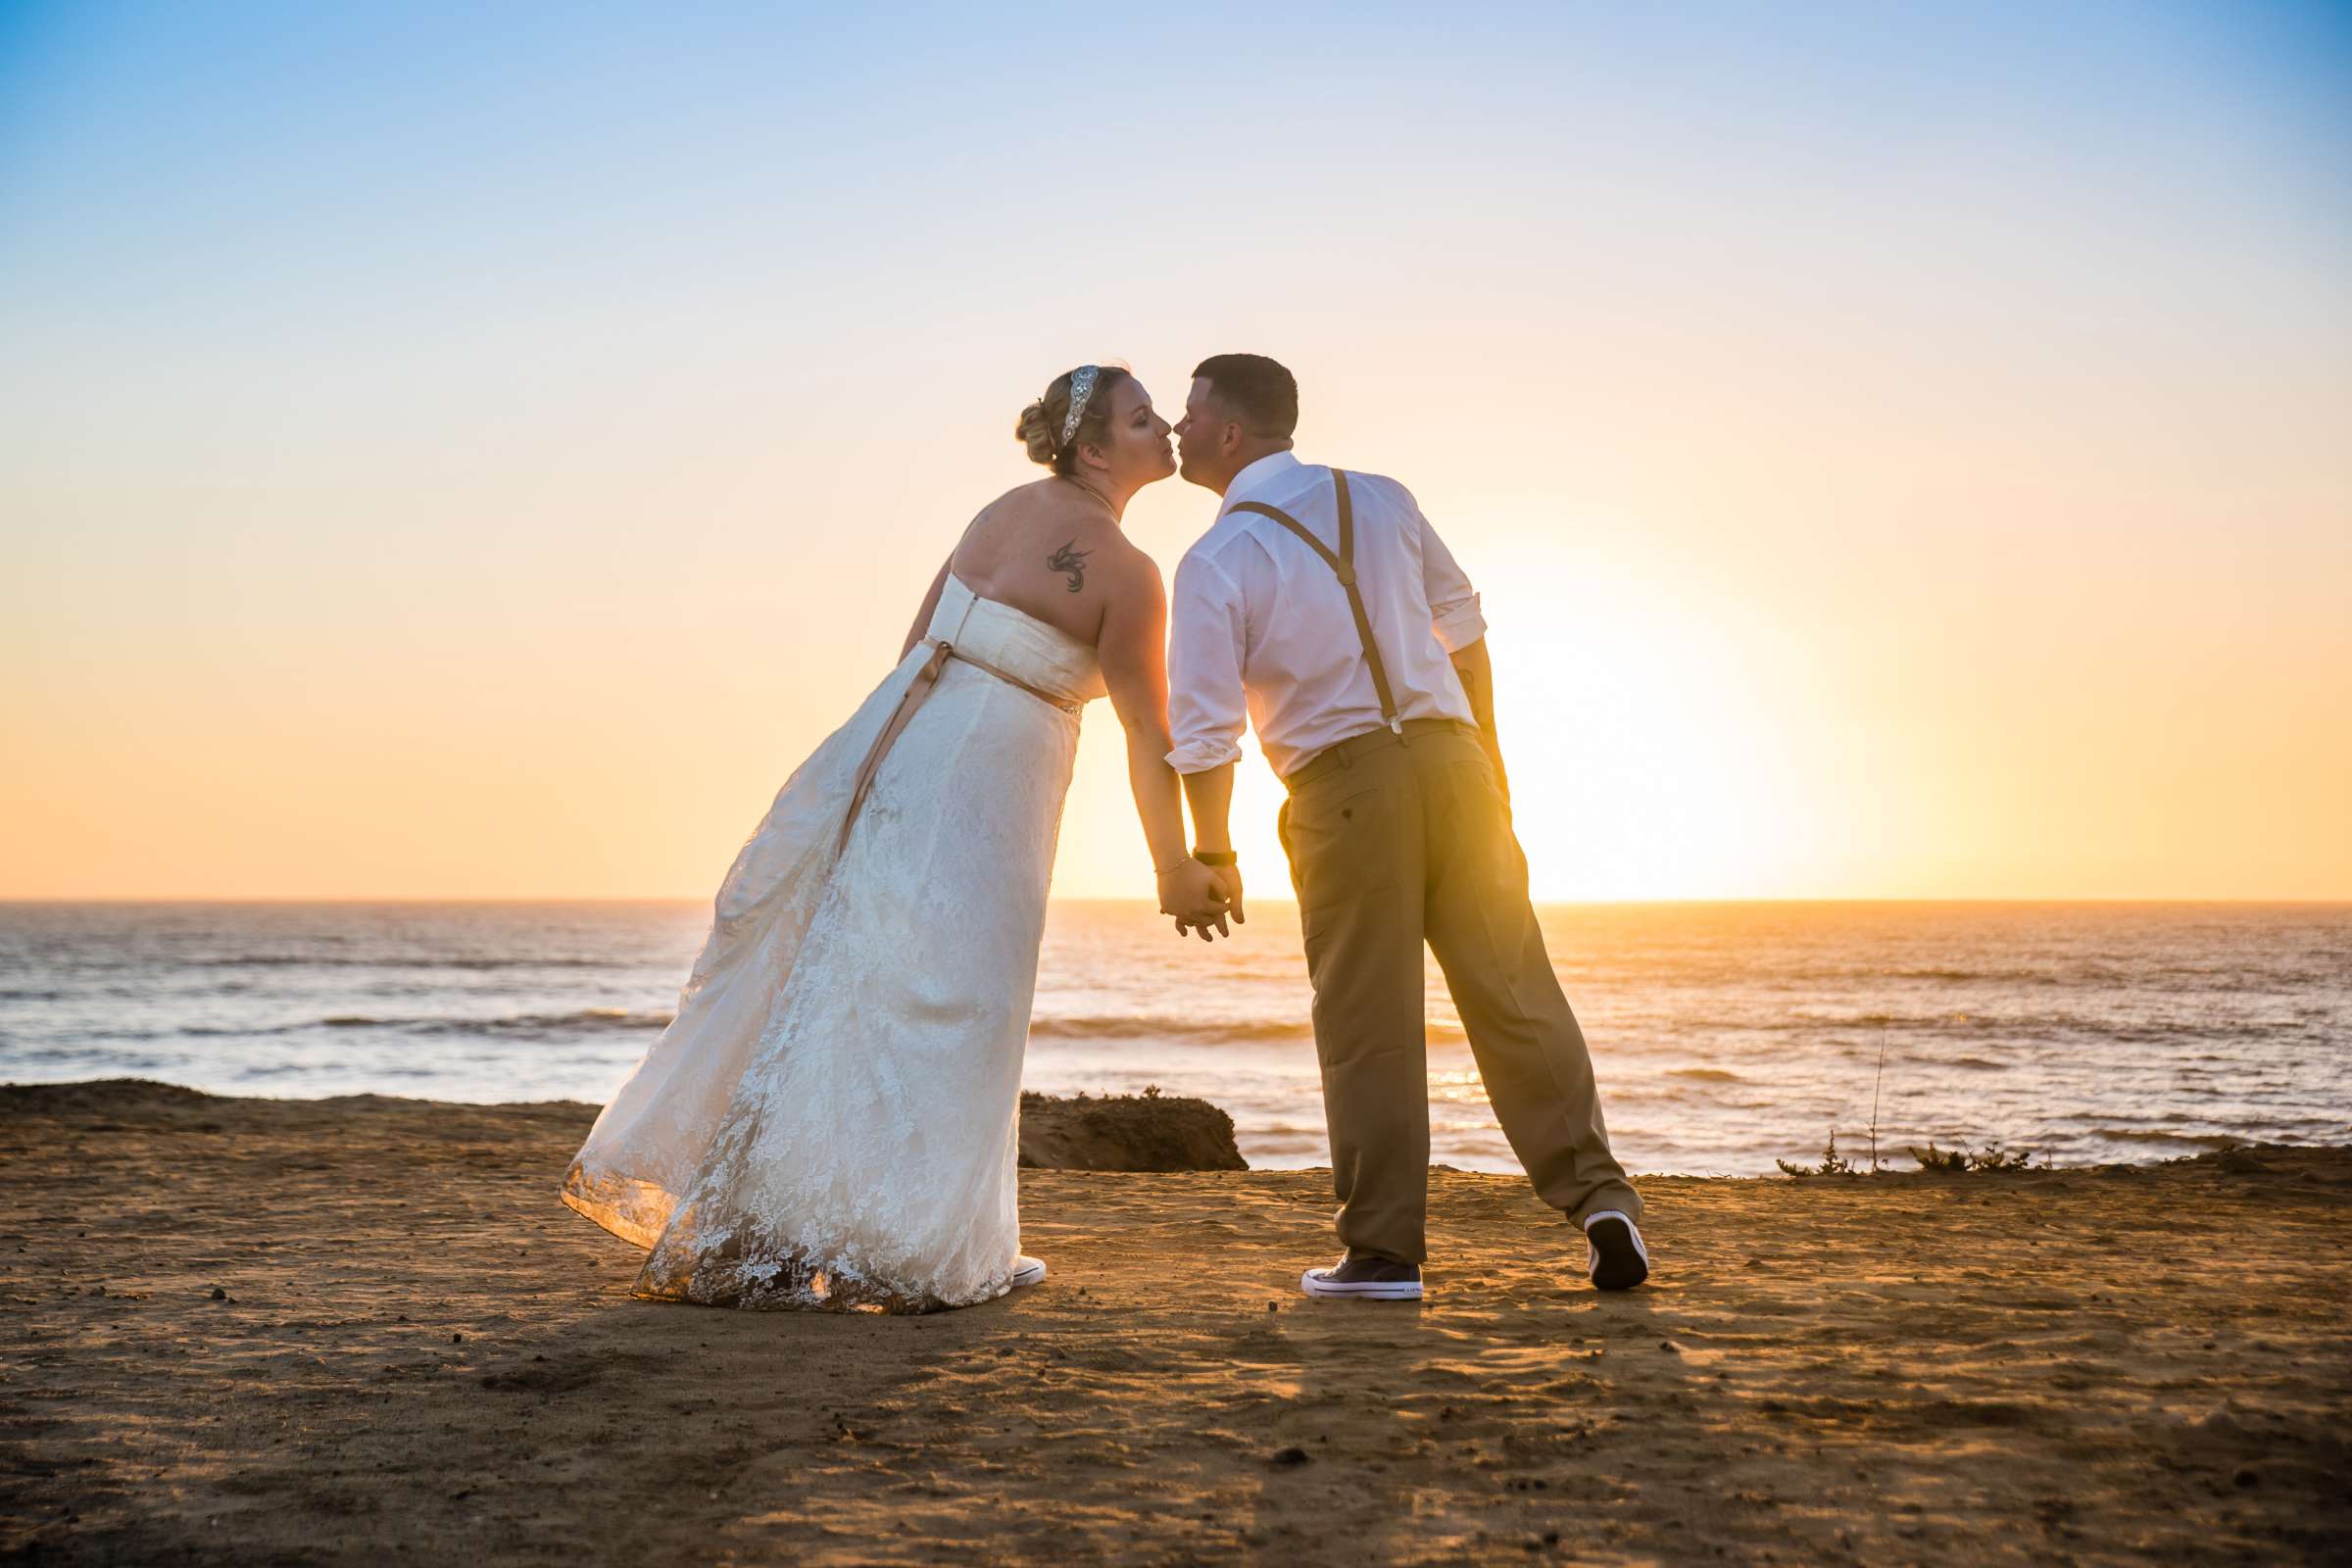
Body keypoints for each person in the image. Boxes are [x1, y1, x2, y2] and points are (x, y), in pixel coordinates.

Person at [562, 366, 1233, 1311]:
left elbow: (916, 645)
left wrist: (882, 777)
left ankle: (783, 1228)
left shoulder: (997, 513)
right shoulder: (1126, 573)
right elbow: (1145, 731)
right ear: (1092, 449)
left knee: (860, 979)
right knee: (967, 997)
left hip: (900, 753)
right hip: (994, 779)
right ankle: (928, 1245)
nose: (1163, 426)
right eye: (1141, 418)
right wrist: (1178, 863)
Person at [1163, 353, 1650, 1299]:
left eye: (1190, 415)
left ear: (1229, 433)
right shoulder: (1383, 498)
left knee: (1368, 1021)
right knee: (1515, 990)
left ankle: (1384, 1255)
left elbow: (1205, 727)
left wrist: (1212, 850)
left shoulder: (1216, 559)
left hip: (1344, 788)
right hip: (1456, 765)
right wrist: (1488, 764)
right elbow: (1463, 621)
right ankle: (1602, 1204)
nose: (1179, 431)